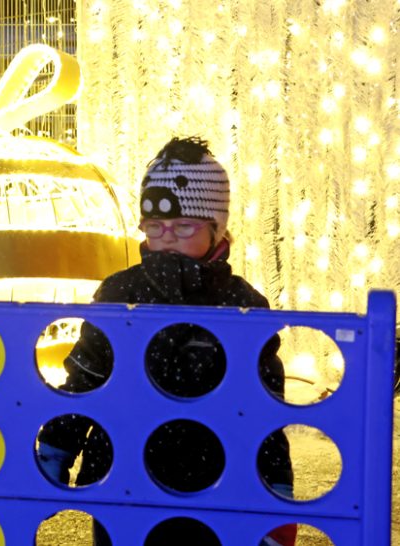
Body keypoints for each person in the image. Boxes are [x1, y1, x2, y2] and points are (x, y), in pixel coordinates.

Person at [36, 137, 295, 546]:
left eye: (184, 227)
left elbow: (264, 408)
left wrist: (276, 491)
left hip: (213, 481)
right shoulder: (118, 293)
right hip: (120, 479)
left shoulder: (243, 305)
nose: (168, 237)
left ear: (218, 229)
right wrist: (56, 449)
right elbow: (84, 380)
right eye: (155, 227)